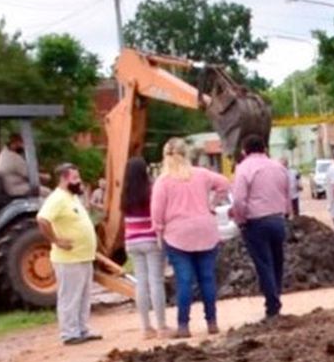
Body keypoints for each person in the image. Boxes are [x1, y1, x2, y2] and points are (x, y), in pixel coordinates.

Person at [151, 137, 229, 338]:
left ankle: (183, 325)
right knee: (207, 278)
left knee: (184, 280)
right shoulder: (202, 174)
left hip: (178, 236)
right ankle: (212, 322)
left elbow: (157, 212)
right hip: (205, 231)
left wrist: (159, 232)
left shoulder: (163, 182)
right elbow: (224, 183)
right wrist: (212, 204)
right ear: (187, 155)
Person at [35, 163, 102, 346]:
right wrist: (56, 240)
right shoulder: (57, 198)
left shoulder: (72, 198)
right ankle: (69, 333)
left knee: (83, 296)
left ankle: (82, 328)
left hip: (83, 256)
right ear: (64, 179)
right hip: (68, 258)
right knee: (70, 296)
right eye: (75, 178)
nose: (78, 181)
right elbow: (42, 219)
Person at [231, 134, 293, 320]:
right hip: (278, 219)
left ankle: (272, 305)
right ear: (265, 149)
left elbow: (239, 200)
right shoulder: (279, 167)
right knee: (277, 262)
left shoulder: (243, 169)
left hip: (256, 222)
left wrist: (240, 220)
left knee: (264, 264)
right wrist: (286, 214)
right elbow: (287, 194)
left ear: (244, 151)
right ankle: (276, 297)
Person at [122, 156, 167, 338]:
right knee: (156, 281)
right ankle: (162, 326)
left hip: (131, 240)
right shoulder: (151, 190)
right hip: (150, 239)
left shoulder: (124, 193)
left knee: (141, 282)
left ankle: (146, 328)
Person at [0, 133, 33, 197]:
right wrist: (45, 177)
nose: (23, 146)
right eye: (22, 143)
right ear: (15, 143)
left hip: (12, 185)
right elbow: (30, 175)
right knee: (47, 192)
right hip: (15, 188)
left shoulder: (4, 153)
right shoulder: (13, 157)